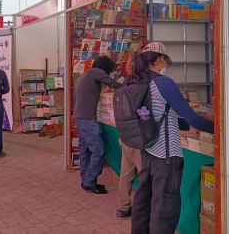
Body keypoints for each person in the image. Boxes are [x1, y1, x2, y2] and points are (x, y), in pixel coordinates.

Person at [130, 42, 214, 234]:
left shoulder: (135, 81)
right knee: (165, 207)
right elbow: (190, 117)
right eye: (166, 60)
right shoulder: (163, 83)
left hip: (147, 149)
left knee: (144, 199)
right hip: (167, 155)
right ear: (159, 59)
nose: (166, 65)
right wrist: (217, 129)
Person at [74, 56, 121, 194]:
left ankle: (85, 180)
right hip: (88, 119)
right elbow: (115, 85)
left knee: (85, 150)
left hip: (80, 117)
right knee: (99, 150)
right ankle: (89, 181)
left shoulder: (84, 76)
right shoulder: (97, 72)